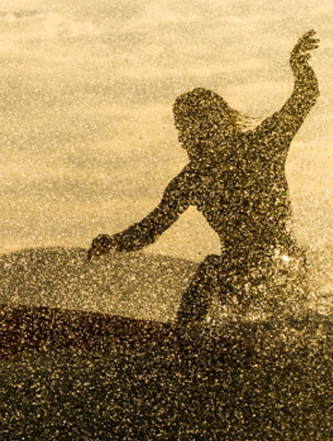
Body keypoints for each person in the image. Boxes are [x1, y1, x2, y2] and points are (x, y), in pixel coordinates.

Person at [87, 30, 320, 325]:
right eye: (183, 127)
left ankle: (186, 338)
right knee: (217, 269)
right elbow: (152, 228)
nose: (189, 135)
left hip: (283, 267)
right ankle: (190, 339)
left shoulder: (263, 144)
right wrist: (115, 241)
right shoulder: (190, 180)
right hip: (242, 274)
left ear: (221, 123)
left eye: (198, 125)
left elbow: (305, 96)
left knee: (213, 268)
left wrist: (300, 66)